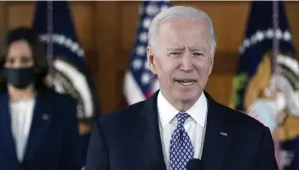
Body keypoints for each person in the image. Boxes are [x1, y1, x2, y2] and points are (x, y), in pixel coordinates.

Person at [85, 6, 278, 170]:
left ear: (210, 62)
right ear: (152, 61)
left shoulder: (253, 137)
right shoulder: (111, 134)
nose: (187, 65)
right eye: (176, 53)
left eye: (197, 54)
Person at [0, 27, 84, 170]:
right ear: (3, 64)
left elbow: (72, 164)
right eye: (11, 61)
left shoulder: (62, 108)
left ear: (37, 64)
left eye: (25, 60)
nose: (18, 66)